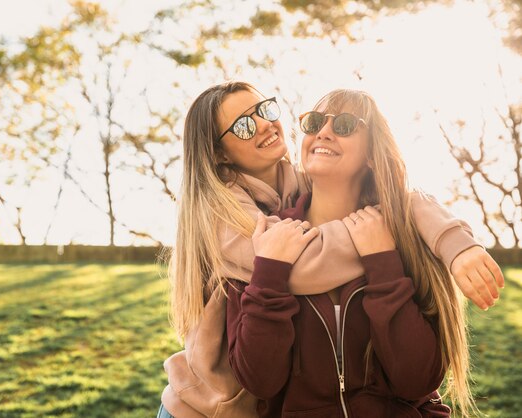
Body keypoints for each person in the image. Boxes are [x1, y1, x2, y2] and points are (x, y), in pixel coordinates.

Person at [160, 82, 503, 417]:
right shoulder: (248, 228)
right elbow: (263, 376)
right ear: (219, 154)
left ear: (372, 153)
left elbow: (418, 378)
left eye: (344, 125)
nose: (265, 124)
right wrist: (272, 271)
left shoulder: (297, 192)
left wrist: (453, 244)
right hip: (200, 407)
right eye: (244, 125)